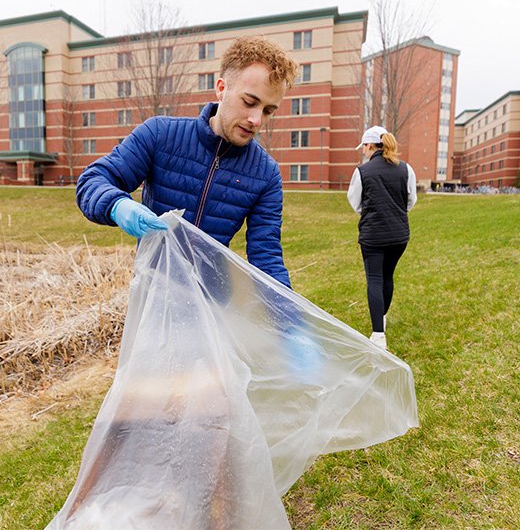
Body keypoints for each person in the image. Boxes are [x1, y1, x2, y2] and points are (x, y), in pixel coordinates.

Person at [76, 36, 298, 288]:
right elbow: (93, 180)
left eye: (268, 110)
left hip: (210, 304)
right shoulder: (160, 135)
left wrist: (287, 314)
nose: (256, 120)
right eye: (249, 102)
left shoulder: (265, 173)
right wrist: (116, 205)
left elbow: (266, 255)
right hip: (153, 296)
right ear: (221, 88)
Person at [347, 127, 417, 350]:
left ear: (369, 146)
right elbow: (410, 201)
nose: (364, 153)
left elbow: (355, 202)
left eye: (364, 148)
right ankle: (381, 318)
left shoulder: (362, 171)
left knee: (375, 280)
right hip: (399, 235)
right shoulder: (406, 169)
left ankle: (378, 335)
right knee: (387, 276)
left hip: (373, 235)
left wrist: (372, 212)